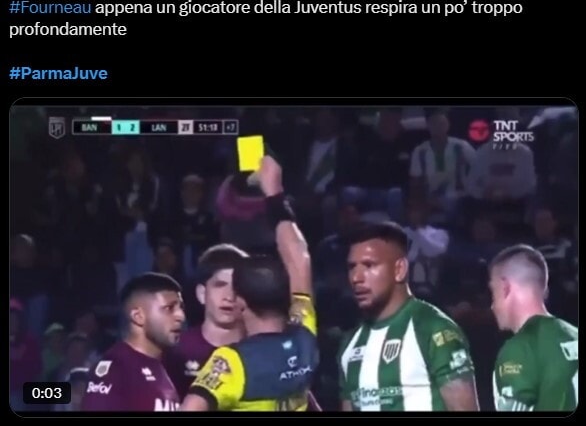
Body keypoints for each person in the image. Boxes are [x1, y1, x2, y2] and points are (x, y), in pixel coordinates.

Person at [181, 156, 319, 411]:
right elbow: (300, 259)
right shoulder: (305, 337)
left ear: (241, 302)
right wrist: (275, 195)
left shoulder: (231, 361)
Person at [338, 221, 480, 411]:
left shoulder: (433, 329)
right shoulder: (350, 343)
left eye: (369, 265)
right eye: (352, 267)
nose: (356, 277)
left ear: (400, 269)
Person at [488, 244, 578, 411]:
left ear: (505, 287)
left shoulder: (520, 349)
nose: (492, 306)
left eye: (493, 292)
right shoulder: (574, 334)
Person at [81, 272, 185, 411]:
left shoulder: (169, 366)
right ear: (138, 316)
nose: (180, 316)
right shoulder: (116, 369)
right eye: (169, 308)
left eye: (181, 308)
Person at [163, 243, 248, 399]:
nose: (229, 297)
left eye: (237, 287)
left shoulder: (260, 350)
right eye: (220, 285)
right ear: (202, 294)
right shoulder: (175, 351)